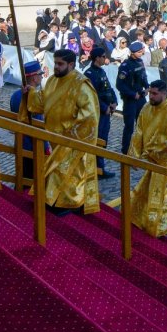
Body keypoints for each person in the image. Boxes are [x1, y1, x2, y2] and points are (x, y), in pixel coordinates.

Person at [24, 48, 101, 216]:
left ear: (71, 64)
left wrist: (70, 134)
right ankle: (57, 201)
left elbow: (90, 116)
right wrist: (30, 92)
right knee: (57, 171)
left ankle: (69, 204)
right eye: (55, 63)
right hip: (55, 139)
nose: (56, 67)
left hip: (73, 139)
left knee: (69, 173)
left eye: (60, 64)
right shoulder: (52, 81)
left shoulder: (81, 84)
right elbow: (42, 102)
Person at [128, 79, 167, 237]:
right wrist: (134, 155)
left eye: (155, 94)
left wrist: (153, 153)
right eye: (149, 93)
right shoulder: (146, 108)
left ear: (164, 93)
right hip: (150, 159)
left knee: (165, 194)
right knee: (149, 190)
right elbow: (139, 131)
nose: (151, 97)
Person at [9, 60, 46, 186]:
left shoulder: (15, 95)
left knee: (24, 175)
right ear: (35, 78)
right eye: (40, 74)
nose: (42, 76)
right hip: (34, 144)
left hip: (21, 142)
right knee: (36, 179)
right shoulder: (34, 96)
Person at [84, 46, 118, 179]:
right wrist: (104, 107)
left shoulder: (101, 72)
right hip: (98, 112)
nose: (105, 58)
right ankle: (96, 169)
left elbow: (108, 88)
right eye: (103, 56)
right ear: (97, 58)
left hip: (106, 112)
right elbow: (93, 95)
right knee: (97, 140)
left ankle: (100, 168)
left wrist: (114, 101)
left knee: (103, 140)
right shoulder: (90, 74)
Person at [116, 40, 150, 155]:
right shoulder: (125, 65)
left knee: (143, 125)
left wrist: (147, 87)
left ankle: (142, 148)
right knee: (129, 127)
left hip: (141, 98)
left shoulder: (140, 62)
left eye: (142, 51)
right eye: (139, 52)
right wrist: (132, 94)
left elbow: (143, 77)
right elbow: (119, 85)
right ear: (133, 52)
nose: (142, 53)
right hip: (130, 100)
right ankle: (125, 150)